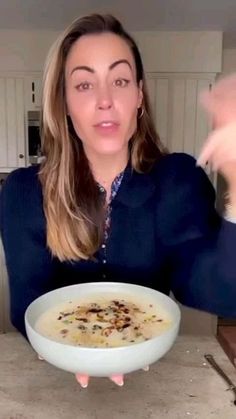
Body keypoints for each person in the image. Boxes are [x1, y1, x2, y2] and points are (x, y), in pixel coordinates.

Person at [1, 13, 236, 389]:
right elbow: (27, 308)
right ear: (62, 101)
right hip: (55, 377)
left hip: (155, 375)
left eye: (120, 80)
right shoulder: (24, 192)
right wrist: (80, 349)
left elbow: (224, 294)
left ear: (139, 95)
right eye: (84, 85)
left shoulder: (177, 180)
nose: (105, 100)